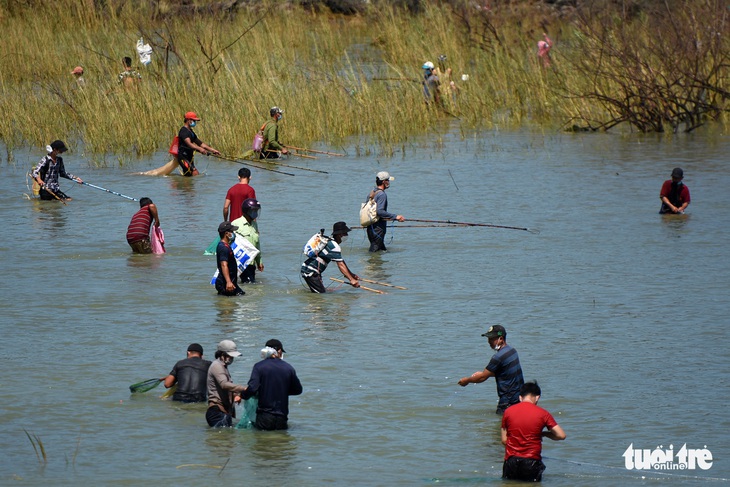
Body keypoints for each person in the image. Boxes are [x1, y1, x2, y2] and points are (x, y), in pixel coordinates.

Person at [501, 381, 567, 482]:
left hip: (511, 461)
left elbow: (504, 440)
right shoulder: (543, 413)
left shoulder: (508, 412)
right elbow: (561, 435)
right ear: (537, 397)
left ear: (520, 397)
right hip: (531, 462)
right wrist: (543, 434)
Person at [458, 325, 525, 414]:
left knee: (501, 426)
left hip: (508, 401)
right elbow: (505, 371)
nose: (489, 342)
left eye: (491, 339)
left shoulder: (498, 357)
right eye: (488, 338)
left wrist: (467, 380)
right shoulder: (512, 351)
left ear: (501, 339)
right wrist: (486, 373)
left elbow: (482, 378)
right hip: (520, 398)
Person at [241, 339, 303, 430]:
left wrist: (242, 395)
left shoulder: (259, 366)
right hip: (282, 417)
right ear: (279, 351)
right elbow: (298, 390)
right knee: (280, 442)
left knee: (263, 442)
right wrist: (282, 390)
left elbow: (252, 388)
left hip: (264, 416)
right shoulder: (289, 368)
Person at [301, 221, 360, 293]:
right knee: (320, 297)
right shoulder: (334, 246)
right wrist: (352, 280)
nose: (347, 235)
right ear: (340, 234)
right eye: (345, 233)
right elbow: (340, 265)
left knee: (319, 293)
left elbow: (341, 262)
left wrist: (351, 275)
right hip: (311, 272)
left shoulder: (330, 242)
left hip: (309, 269)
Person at [206, 340, 247, 427]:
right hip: (217, 411)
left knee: (228, 439)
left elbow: (227, 387)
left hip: (223, 411)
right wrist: (243, 388)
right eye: (229, 356)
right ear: (222, 355)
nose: (232, 359)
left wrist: (236, 395)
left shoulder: (223, 367)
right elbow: (224, 384)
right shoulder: (216, 366)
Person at [364, 171, 405, 252]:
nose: (389, 182)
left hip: (370, 227)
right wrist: (396, 217)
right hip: (378, 229)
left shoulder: (372, 193)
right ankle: (372, 263)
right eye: (388, 180)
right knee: (374, 251)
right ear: (384, 182)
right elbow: (379, 212)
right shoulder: (382, 194)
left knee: (382, 250)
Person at [177, 111, 220, 177]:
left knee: (188, 176)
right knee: (195, 173)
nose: (195, 122)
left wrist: (213, 150)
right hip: (183, 157)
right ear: (188, 120)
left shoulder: (191, 132)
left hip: (189, 157)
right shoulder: (183, 131)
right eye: (194, 120)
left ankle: (187, 187)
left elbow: (200, 143)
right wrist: (200, 149)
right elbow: (189, 144)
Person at [231, 198, 264, 283]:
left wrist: (259, 261)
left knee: (250, 285)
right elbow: (230, 243)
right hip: (241, 261)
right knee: (249, 283)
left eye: (257, 210)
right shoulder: (236, 224)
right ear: (247, 211)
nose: (256, 213)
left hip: (251, 263)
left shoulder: (254, 224)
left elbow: (257, 244)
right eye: (254, 210)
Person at [215, 221, 245, 296]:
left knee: (241, 295)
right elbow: (223, 265)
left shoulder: (226, 245)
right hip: (225, 283)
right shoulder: (223, 248)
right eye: (231, 231)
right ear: (226, 233)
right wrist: (228, 282)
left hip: (231, 281)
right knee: (227, 306)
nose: (233, 233)